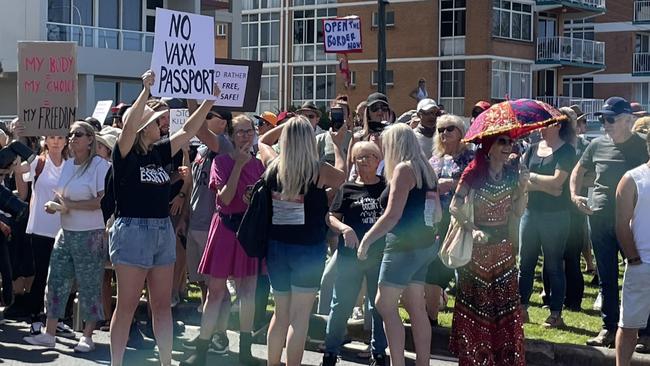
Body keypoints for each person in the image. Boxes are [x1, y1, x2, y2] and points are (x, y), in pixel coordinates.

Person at [108, 70, 218, 366]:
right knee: (128, 305)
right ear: (146, 125)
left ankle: (165, 362)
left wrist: (208, 102)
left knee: (162, 306)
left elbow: (190, 131)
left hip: (161, 231)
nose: (166, 124)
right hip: (132, 230)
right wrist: (145, 91)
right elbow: (128, 127)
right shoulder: (126, 153)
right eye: (160, 120)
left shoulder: (160, 152)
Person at [181, 115, 264, 366]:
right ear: (230, 135)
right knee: (215, 292)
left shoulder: (260, 165)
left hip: (248, 230)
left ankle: (246, 353)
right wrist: (238, 166)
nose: (244, 136)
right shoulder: (221, 162)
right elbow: (226, 199)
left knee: (248, 293)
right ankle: (203, 350)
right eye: (239, 132)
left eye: (248, 131)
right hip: (225, 229)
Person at [357, 124, 441, 366]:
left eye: (385, 143)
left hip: (402, 246)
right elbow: (435, 212)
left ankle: (398, 362)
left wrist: (367, 240)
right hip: (424, 245)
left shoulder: (404, 170)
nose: (382, 148)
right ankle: (422, 363)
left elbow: (392, 215)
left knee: (384, 304)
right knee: (415, 305)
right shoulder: (426, 169)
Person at [263, 116, 345, 366]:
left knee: (280, 314)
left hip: (277, 246)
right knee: (300, 318)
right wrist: (338, 147)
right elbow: (343, 176)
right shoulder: (318, 170)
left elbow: (263, 140)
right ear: (310, 140)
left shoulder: (273, 164)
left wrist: (287, 126)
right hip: (308, 249)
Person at [24, 121, 110, 352]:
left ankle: (88, 335)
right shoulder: (69, 165)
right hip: (65, 232)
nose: (72, 138)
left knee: (89, 285)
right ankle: (49, 333)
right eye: (70, 134)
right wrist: (57, 206)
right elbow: (65, 198)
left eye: (78, 134)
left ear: (90, 139)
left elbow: (103, 201)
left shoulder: (100, 166)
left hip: (90, 234)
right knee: (56, 281)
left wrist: (71, 205)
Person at [570, 97, 649, 347]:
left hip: (632, 221)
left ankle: (645, 333)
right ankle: (609, 328)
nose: (605, 124)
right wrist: (574, 195)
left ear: (627, 120)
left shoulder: (642, 147)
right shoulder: (596, 144)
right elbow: (578, 170)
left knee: (638, 273)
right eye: (602, 119)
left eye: (610, 119)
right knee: (606, 276)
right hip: (600, 218)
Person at [448, 134, 529, 366]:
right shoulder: (473, 173)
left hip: (503, 251)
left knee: (503, 308)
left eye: (509, 142)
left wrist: (524, 188)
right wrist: (472, 229)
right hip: (476, 251)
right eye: (501, 142)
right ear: (489, 147)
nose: (507, 147)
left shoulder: (513, 174)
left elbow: (518, 212)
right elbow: (455, 207)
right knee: (477, 307)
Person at [321, 141, 388, 366]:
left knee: (378, 305)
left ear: (379, 161)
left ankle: (378, 353)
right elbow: (331, 217)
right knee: (341, 304)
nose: (365, 160)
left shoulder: (387, 187)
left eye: (370, 156)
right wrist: (344, 229)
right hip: (349, 257)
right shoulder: (347, 189)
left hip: (379, 256)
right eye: (360, 157)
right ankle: (330, 351)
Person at [519, 112, 576, 327]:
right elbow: (522, 180)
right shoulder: (532, 149)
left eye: (546, 124)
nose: (541, 127)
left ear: (558, 126)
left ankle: (555, 314)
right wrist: (544, 185)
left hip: (556, 216)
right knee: (525, 263)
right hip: (530, 213)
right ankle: (522, 308)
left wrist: (533, 179)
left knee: (553, 265)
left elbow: (558, 184)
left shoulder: (567, 151)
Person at [13, 135, 68, 336]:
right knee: (41, 274)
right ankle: (35, 317)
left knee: (62, 276)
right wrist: (17, 140)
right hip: (40, 228)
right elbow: (20, 174)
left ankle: (57, 318)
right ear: (46, 141)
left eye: (60, 137)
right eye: (52, 137)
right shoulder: (38, 161)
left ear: (65, 141)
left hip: (64, 227)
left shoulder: (70, 164)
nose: (56, 141)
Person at [424, 114, 474, 327]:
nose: (444, 133)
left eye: (449, 128)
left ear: (461, 132)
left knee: (464, 267)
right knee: (435, 268)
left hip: (462, 219)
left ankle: (466, 319)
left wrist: (453, 184)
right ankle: (431, 318)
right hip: (438, 219)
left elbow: (477, 180)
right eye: (441, 130)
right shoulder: (434, 159)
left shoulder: (471, 157)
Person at [614, 134, 650, 365]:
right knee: (628, 327)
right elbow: (621, 225)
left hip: (640, 264)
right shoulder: (632, 178)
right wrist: (634, 259)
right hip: (642, 264)